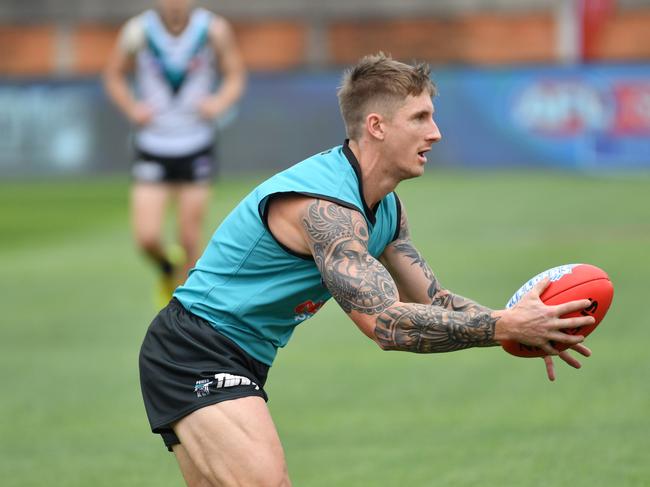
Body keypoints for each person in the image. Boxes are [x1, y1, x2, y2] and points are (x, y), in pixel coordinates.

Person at [139, 53, 595, 487]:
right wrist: (504, 325)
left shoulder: (386, 210)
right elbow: (386, 324)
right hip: (193, 351)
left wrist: (523, 325)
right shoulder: (326, 209)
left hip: (241, 356)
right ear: (376, 126)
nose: (435, 133)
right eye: (419, 118)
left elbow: (434, 301)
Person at [104, 0, 246, 305]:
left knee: (190, 239)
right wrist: (132, 108)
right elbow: (113, 75)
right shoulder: (138, 31)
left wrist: (218, 103)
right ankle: (167, 267)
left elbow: (235, 74)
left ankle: (184, 311)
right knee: (147, 237)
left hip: (196, 143)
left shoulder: (213, 30)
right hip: (153, 144)